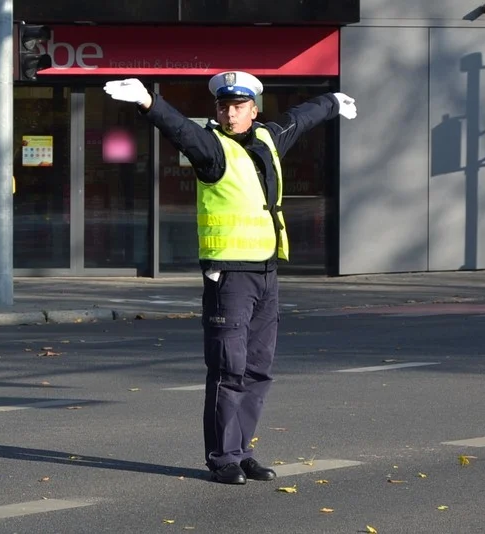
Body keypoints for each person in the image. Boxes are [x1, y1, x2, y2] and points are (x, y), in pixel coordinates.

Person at [103, 71, 357, 485]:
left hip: (266, 271)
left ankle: (242, 452)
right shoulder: (212, 148)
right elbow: (181, 131)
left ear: (254, 110)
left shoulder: (269, 138)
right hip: (229, 277)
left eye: (239, 106)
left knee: (258, 369)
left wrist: (332, 102)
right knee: (229, 368)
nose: (230, 112)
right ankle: (222, 457)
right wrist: (149, 102)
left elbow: (299, 117)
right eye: (223, 106)